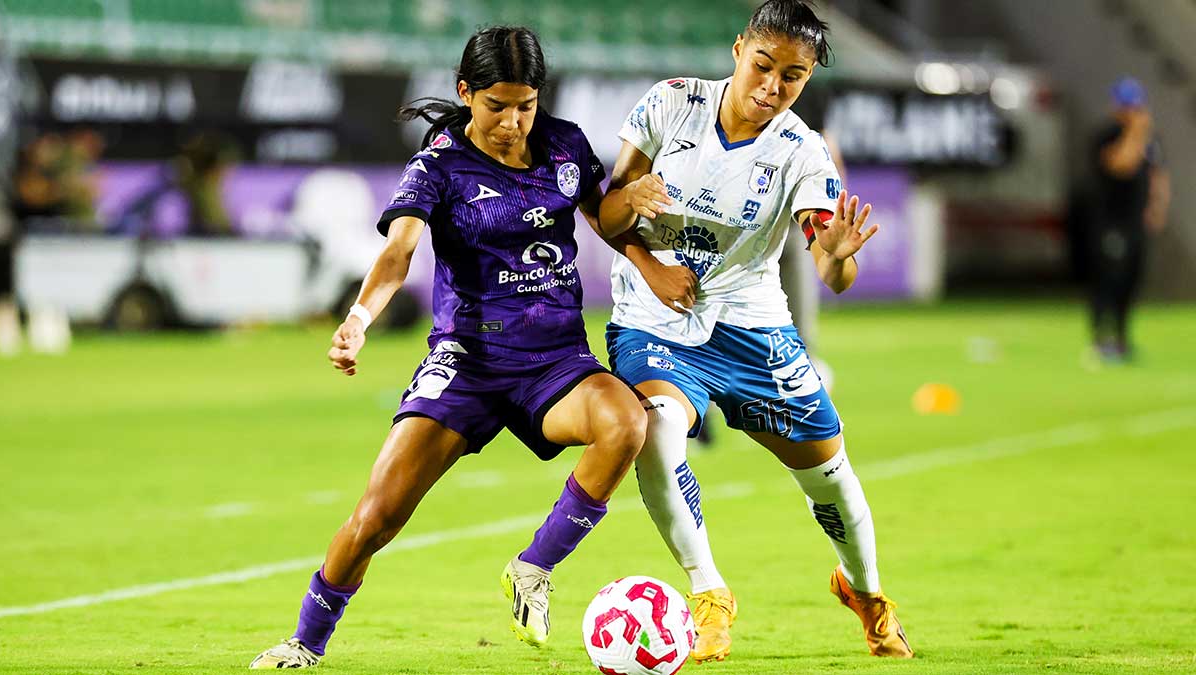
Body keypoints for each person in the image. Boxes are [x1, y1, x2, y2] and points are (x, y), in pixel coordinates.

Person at [250, 26, 646, 668]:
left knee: (626, 421)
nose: (513, 122)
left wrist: (647, 243)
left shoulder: (566, 145)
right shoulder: (438, 164)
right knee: (377, 517)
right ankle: (305, 642)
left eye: (525, 105)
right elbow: (398, 251)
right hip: (468, 361)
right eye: (496, 106)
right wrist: (358, 317)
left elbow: (606, 219)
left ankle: (533, 568)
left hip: (555, 362)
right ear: (466, 93)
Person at [598, 0, 912, 662]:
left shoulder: (802, 151)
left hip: (750, 325)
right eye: (763, 65)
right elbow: (606, 209)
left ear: (807, 81)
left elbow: (833, 268)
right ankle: (708, 593)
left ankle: (865, 590)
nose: (772, 86)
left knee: (830, 475)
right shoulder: (670, 104)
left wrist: (837, 252)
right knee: (655, 426)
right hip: (656, 316)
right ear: (739, 49)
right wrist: (645, 246)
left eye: (792, 77)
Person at [1087, 76, 1170, 363]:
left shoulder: (1150, 140)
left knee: (1133, 279)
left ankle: (1122, 338)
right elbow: (1121, 165)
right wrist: (1135, 133)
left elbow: (1158, 174)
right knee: (1110, 277)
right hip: (1111, 221)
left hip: (1136, 221)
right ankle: (1100, 337)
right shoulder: (1107, 135)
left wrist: (1157, 207)